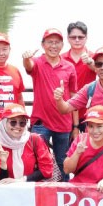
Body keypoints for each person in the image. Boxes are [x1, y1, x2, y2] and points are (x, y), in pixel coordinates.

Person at [25, 28, 78, 180]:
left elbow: (74, 98)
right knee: (37, 160)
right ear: (43, 45)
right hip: (41, 123)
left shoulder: (69, 67)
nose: (53, 46)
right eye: (50, 42)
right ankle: (36, 191)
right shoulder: (37, 63)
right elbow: (29, 67)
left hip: (63, 122)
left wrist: (75, 126)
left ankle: (65, 192)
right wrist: (25, 58)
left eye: (57, 42)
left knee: (63, 161)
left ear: (62, 45)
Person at [0, 104, 55, 182]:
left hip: (32, 191)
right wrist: (3, 163)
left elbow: (47, 171)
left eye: (22, 123)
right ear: (3, 123)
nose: (18, 126)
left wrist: (21, 181)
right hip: (7, 193)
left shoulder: (35, 140)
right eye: (13, 122)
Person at [64, 106, 103, 191]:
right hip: (77, 194)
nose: (95, 131)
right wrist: (77, 153)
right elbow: (67, 170)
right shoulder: (80, 139)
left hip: (101, 197)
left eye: (99, 126)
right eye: (91, 126)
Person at [61, 21, 95, 91]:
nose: (77, 40)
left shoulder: (94, 57)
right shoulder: (61, 58)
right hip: (67, 100)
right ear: (68, 38)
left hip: (88, 99)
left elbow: (100, 70)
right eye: (73, 37)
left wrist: (90, 62)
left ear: (86, 37)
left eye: (80, 37)